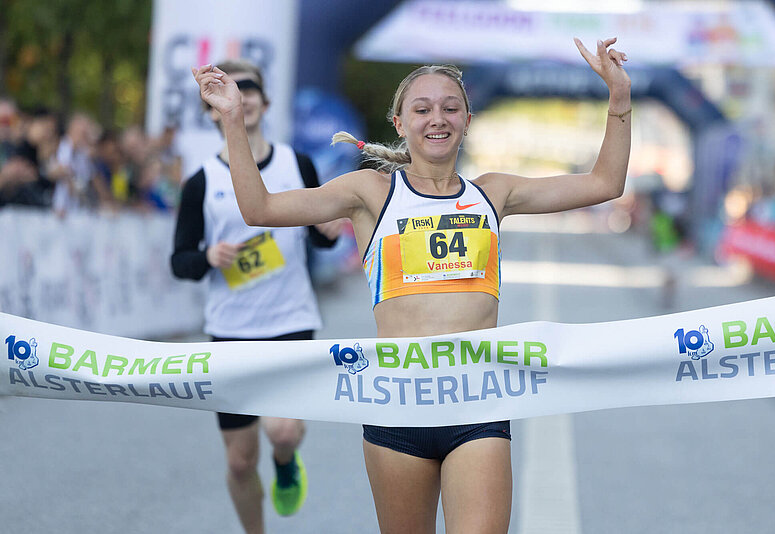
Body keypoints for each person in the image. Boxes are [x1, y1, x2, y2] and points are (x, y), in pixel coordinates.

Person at [193, 37, 630, 533]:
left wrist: (619, 99)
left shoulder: (495, 193)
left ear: (467, 120)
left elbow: (604, 183)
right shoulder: (370, 193)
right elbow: (261, 210)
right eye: (421, 109)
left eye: (450, 108)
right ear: (400, 124)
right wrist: (232, 120)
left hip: (477, 403)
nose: (436, 119)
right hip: (396, 406)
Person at [172, 58, 340, 534]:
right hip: (231, 331)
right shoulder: (200, 182)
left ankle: (286, 461)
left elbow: (320, 237)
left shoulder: (297, 164)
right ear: (211, 111)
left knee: (283, 430)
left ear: (265, 103)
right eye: (229, 90)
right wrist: (207, 257)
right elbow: (179, 260)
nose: (239, 96)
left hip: (290, 320)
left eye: (249, 88)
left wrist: (329, 231)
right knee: (241, 461)